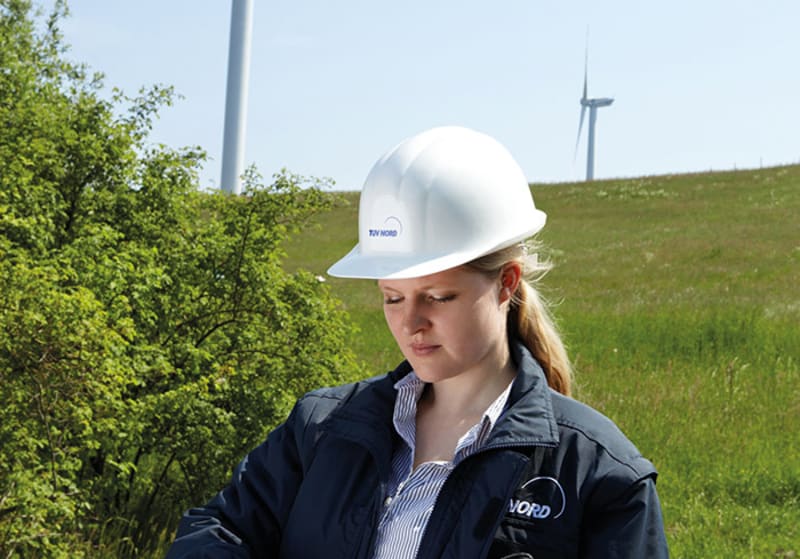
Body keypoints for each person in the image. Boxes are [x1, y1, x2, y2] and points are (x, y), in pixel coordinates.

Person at [166, 126, 669, 558]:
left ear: (507, 282)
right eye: (391, 298)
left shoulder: (599, 473)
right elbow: (215, 531)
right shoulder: (321, 429)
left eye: (437, 297)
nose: (411, 323)